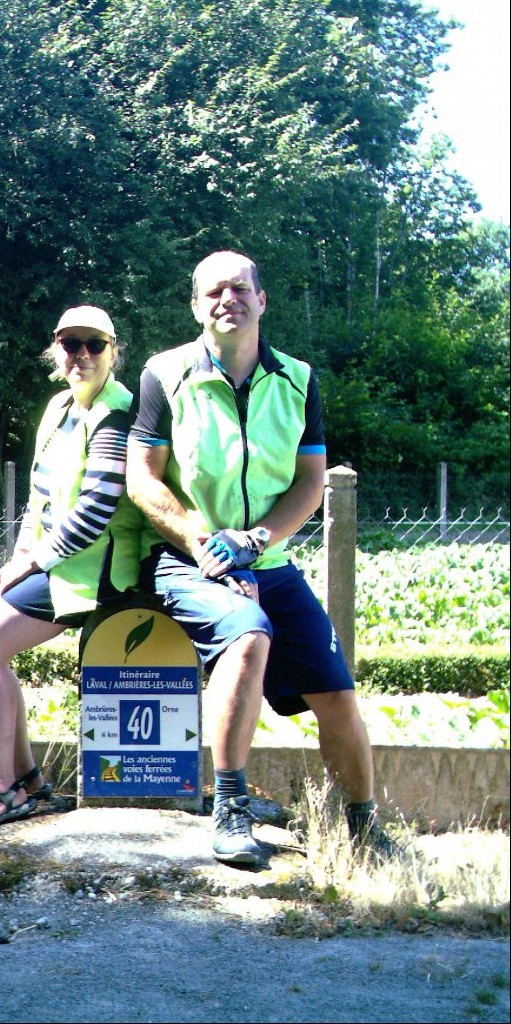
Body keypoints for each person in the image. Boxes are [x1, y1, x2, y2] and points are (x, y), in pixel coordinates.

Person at [126, 250, 397, 867]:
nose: (230, 300)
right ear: (197, 307)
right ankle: (231, 809)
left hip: (266, 563)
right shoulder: (164, 375)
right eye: (215, 292)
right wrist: (201, 540)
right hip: (182, 559)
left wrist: (256, 540)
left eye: (241, 289)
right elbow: (142, 478)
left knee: (337, 692)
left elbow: (309, 482)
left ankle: (364, 828)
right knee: (247, 636)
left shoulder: (299, 379)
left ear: (262, 300)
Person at [0, 305, 142, 849]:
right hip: (60, 563)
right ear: (55, 349)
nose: (81, 355)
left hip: (98, 569)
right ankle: (30, 782)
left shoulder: (116, 412)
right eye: (70, 343)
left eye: (94, 345)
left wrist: (33, 562)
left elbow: (97, 509)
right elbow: (39, 497)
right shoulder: (59, 407)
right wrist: (21, 554)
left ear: (113, 351)